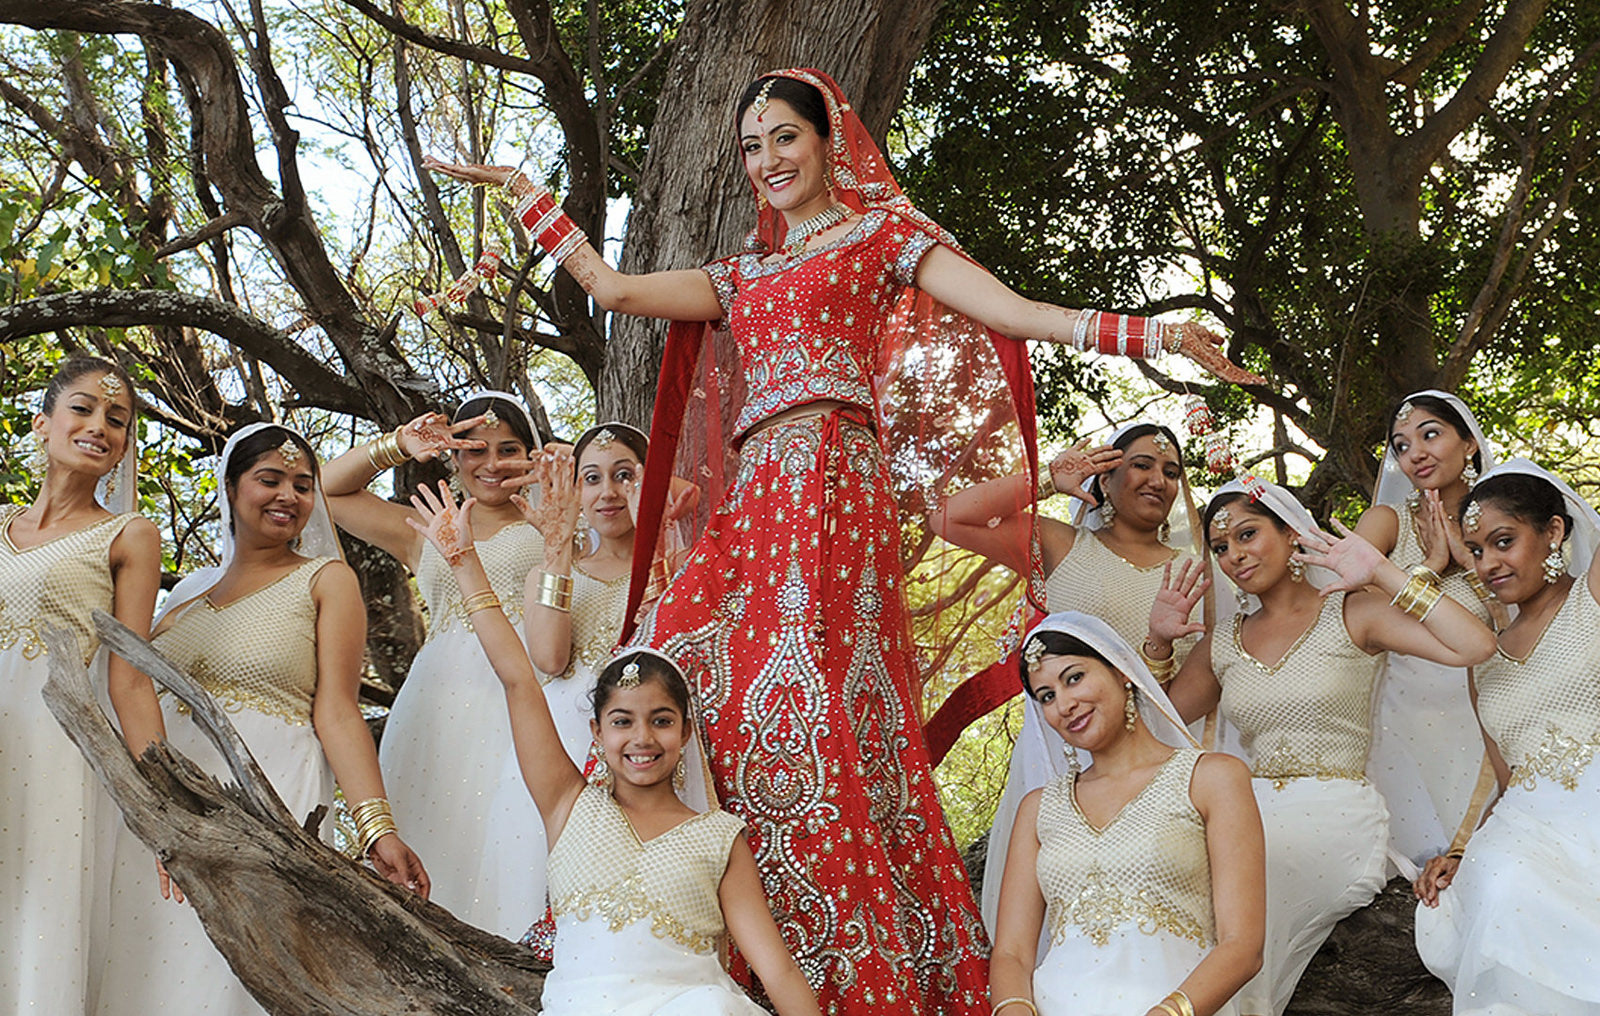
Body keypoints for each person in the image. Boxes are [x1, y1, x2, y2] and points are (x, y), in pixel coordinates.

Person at [424, 68, 1260, 1012]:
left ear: (829, 143)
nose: (767, 160)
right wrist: (523, 191)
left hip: (835, 488)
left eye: (784, 136)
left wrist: (1149, 333)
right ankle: (661, 907)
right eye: (751, 146)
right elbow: (612, 288)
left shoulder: (883, 235)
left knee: (823, 692)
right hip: (756, 498)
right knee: (686, 658)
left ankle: (840, 935)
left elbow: (1013, 312)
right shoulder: (738, 274)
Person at [407, 480, 821, 1015]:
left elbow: (778, 969)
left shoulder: (720, 837)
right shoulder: (567, 805)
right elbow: (519, 680)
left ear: (686, 733)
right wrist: (464, 563)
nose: (643, 738)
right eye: (623, 721)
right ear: (598, 735)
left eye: (662, 721)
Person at [95, 423, 428, 1016]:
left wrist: (378, 828)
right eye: (269, 479)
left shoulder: (326, 580)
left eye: (303, 485)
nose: (288, 496)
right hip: (169, 808)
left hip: (264, 802)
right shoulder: (185, 596)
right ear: (229, 486)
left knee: (228, 978)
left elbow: (338, 711)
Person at [1159, 477, 1495, 1016]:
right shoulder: (1222, 642)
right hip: (1248, 810)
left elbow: (1476, 645)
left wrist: (1385, 573)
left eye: (1248, 534)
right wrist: (1157, 643)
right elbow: (1160, 721)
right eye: (1221, 547)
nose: (1235, 556)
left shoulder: (1353, 612)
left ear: (1294, 535)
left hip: (1333, 814)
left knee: (1248, 895)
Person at [931, 422, 1213, 934]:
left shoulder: (1195, 571)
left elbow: (1205, 682)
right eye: (1142, 465)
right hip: (1058, 756)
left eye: (1171, 472)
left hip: (1157, 759)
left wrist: (1157, 649)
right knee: (1047, 906)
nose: (1159, 480)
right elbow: (947, 516)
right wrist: (1049, 479)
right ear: (1105, 477)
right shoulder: (1063, 544)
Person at [321, 391, 546, 935]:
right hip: (438, 704)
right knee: (435, 839)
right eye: (475, 451)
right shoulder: (425, 525)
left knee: (515, 847)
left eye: (509, 449)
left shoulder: (557, 518)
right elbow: (326, 490)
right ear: (454, 458)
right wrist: (398, 444)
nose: (492, 465)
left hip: (526, 692)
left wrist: (554, 465)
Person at [989, 611, 1264, 1016]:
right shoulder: (1038, 810)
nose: (1064, 704)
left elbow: (1242, 946)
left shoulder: (1211, 779)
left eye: (1074, 678)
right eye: (1046, 696)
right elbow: (1011, 953)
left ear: (1122, 671)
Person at [0, 356, 164, 1013]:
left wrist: (165, 810)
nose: (100, 426)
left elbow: (130, 679)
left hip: (58, 751)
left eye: (117, 420)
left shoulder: (129, 534)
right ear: (43, 423)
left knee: (38, 918)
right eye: (83, 408)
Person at [1413, 460, 1600, 1014]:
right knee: (1507, 886)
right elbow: (1506, 782)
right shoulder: (1483, 658)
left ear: (1555, 532)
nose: (1488, 563)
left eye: (1503, 541)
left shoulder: (1591, 601)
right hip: (1524, 831)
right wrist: (1461, 851)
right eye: (1474, 550)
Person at [1353, 391, 1503, 868]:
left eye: (1430, 434)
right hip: (1400, 711)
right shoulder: (1386, 522)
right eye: (1400, 445)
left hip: (1490, 698)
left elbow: (1527, 620)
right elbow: (1349, 611)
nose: (1414, 452)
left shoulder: (1504, 519)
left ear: (1470, 444)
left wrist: (1470, 565)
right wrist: (1429, 570)